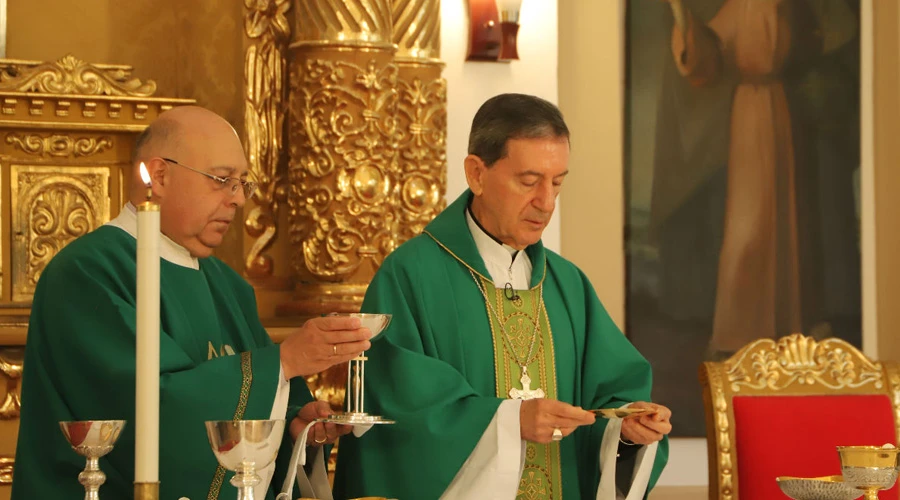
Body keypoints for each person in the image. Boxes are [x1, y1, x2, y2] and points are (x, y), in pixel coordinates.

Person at [11, 106, 372, 500]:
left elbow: (253, 401)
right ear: (160, 176)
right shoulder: (87, 273)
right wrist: (284, 361)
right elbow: (150, 414)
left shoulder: (227, 284)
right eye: (222, 180)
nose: (238, 199)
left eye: (243, 184)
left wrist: (292, 427)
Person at [333, 94, 671, 500]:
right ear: (477, 174)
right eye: (529, 182)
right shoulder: (410, 277)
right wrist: (510, 423)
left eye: (557, 183)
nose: (546, 202)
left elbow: (613, 397)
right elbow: (400, 415)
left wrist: (627, 430)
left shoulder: (567, 285)